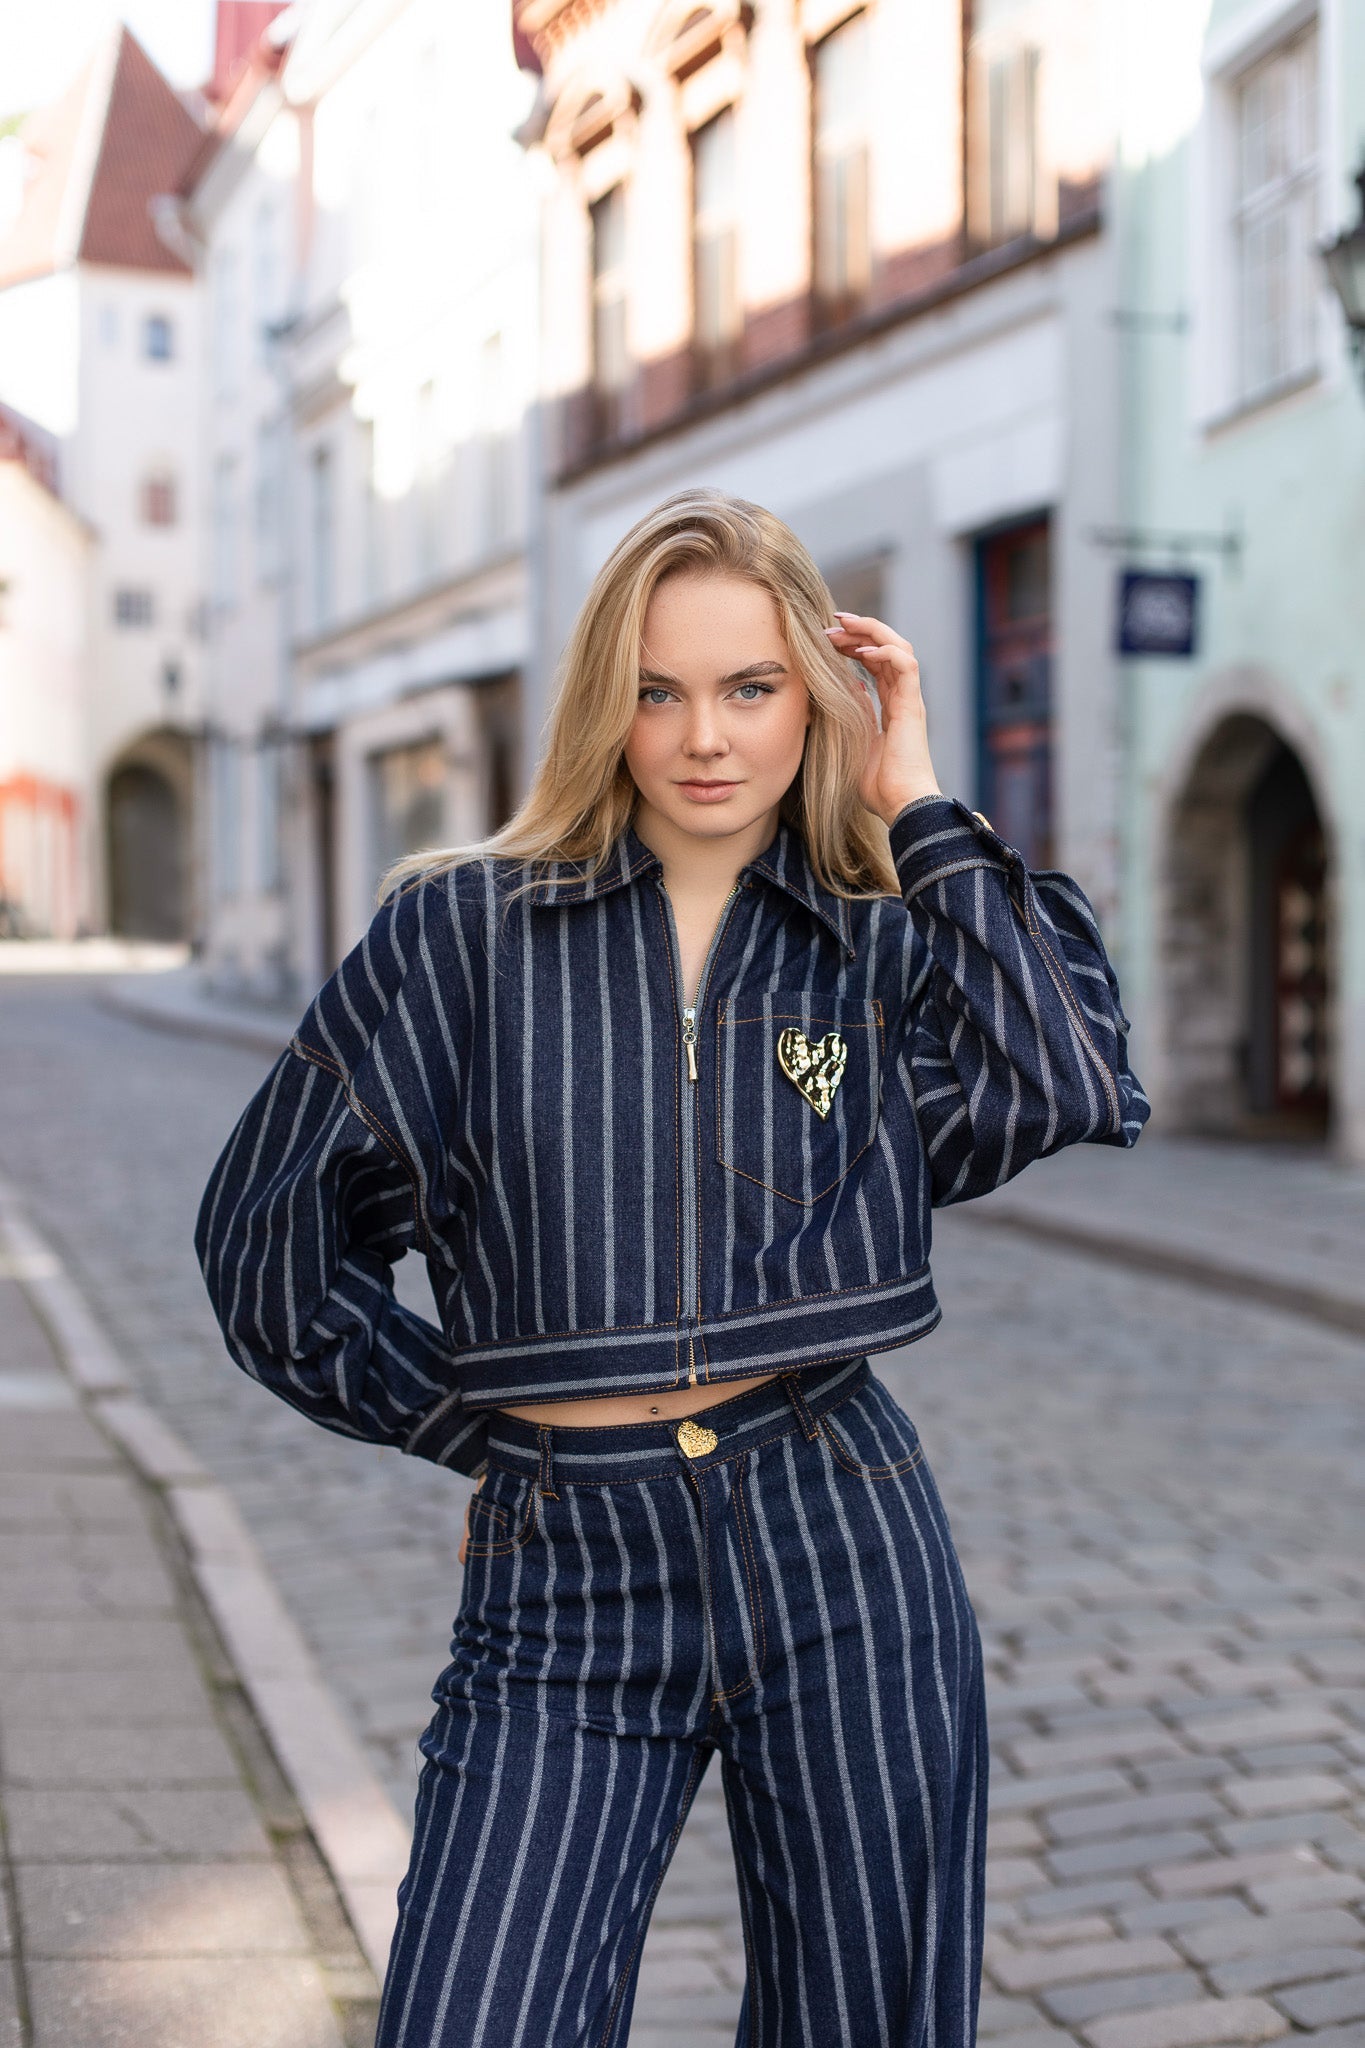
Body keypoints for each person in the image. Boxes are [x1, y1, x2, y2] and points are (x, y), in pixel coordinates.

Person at [195, 488, 1149, 2048]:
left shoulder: (874, 937)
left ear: (815, 701)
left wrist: (913, 800)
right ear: (604, 707)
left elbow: (1060, 1080)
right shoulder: (460, 938)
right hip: (562, 1581)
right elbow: (265, 1249)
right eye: (658, 691)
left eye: (751, 688)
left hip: (842, 1538)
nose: (705, 736)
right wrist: (473, 1431)